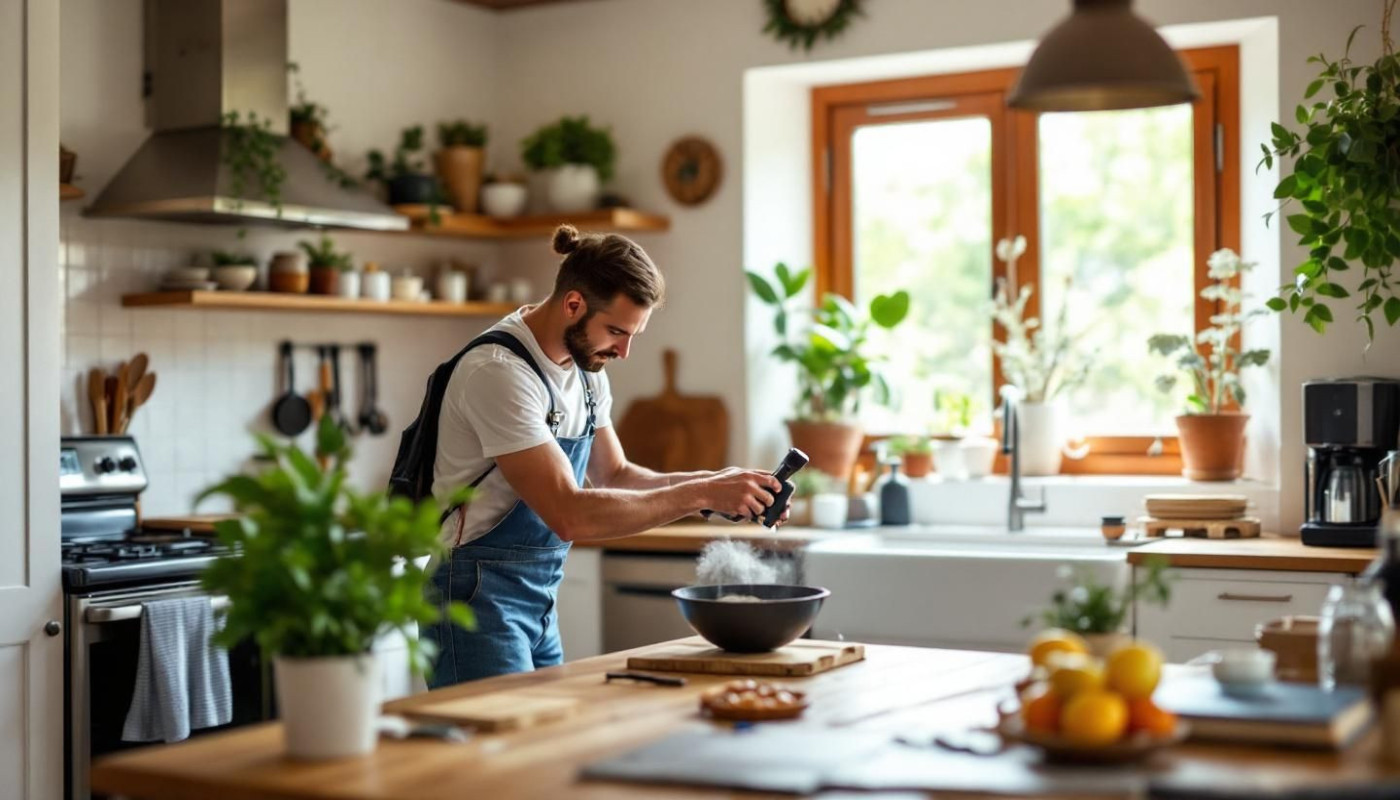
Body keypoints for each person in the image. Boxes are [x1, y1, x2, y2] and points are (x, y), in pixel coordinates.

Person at [422, 224, 786, 687]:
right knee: (492, 755)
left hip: (538, 600)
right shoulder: (499, 373)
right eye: (617, 331)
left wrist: (723, 483)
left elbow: (615, 474)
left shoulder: (588, 369)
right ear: (573, 304)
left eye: (633, 334)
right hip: (472, 598)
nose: (625, 350)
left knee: (544, 747)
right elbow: (568, 513)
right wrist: (703, 493)